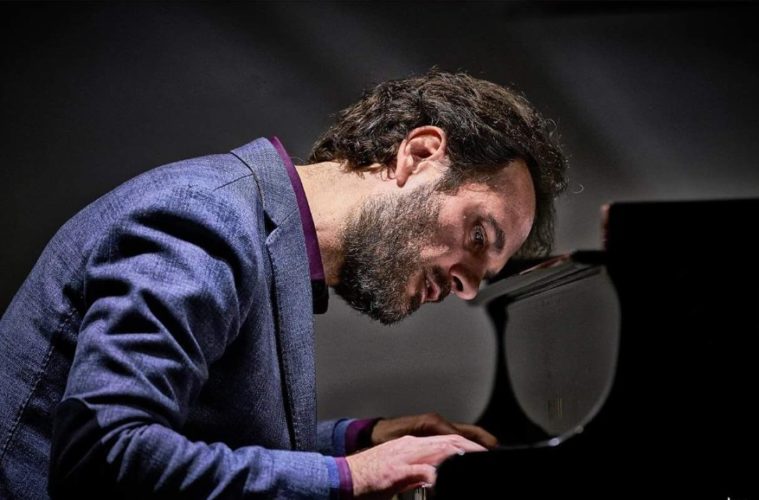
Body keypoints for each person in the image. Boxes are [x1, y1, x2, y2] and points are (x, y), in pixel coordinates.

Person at [0, 70, 567, 499]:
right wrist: (349, 478)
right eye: (477, 235)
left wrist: (360, 441)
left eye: (483, 275)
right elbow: (104, 456)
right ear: (418, 155)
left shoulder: (267, 242)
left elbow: (198, 435)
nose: (467, 288)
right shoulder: (203, 222)